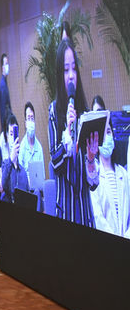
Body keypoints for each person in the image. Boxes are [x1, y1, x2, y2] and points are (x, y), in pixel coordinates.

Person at [48, 37, 96, 226]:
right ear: (60, 73)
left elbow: (94, 184)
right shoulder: (54, 110)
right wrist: (67, 134)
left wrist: (91, 158)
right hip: (65, 210)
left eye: (74, 69)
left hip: (85, 213)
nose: (70, 75)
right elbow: (55, 162)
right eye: (66, 69)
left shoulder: (86, 112)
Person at [87, 97, 129, 236]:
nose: (106, 137)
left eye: (109, 132)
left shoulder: (124, 174)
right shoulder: (93, 176)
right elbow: (97, 217)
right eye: (102, 133)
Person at [18, 102, 44, 196]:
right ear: (25, 123)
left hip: (38, 191)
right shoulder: (22, 147)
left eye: (32, 118)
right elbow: (19, 176)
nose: (30, 121)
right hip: (26, 191)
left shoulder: (39, 147)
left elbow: (42, 176)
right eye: (28, 118)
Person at [0, 53, 13, 132]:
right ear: (2, 67)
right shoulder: (3, 86)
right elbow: (4, 110)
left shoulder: (4, 83)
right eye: (6, 64)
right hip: (6, 126)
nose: (8, 66)